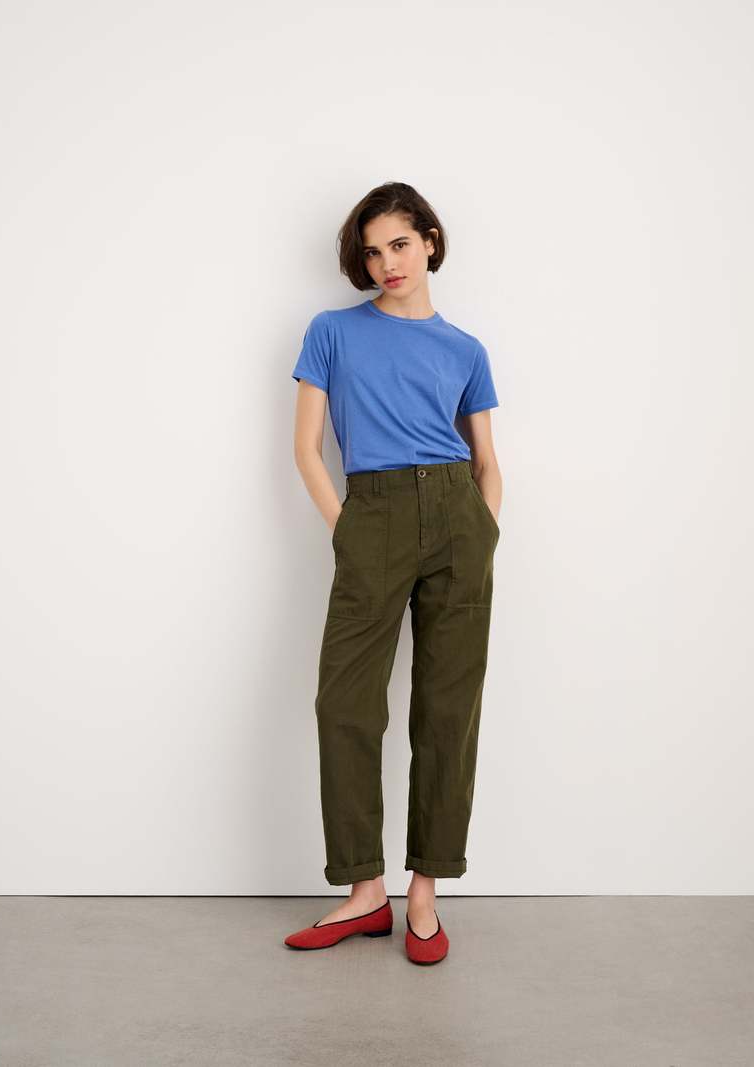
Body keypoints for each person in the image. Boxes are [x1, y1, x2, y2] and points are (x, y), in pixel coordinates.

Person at [284, 181, 502, 965]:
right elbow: (307, 448)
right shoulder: (332, 331)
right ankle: (364, 890)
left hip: (456, 517)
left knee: (447, 709)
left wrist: (483, 532)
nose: (387, 263)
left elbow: (486, 461)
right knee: (344, 701)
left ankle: (423, 892)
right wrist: (348, 528)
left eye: (400, 244)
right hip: (370, 514)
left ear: (430, 241)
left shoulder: (465, 349)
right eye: (373, 252)